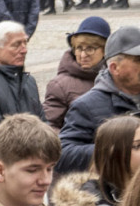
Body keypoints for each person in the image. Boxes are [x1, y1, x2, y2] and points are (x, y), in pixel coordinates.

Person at [59, 27, 140, 176]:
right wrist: (116, 151)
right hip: (115, 187)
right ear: (114, 68)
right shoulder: (87, 105)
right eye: (138, 60)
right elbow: (63, 154)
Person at [0, 21, 43, 174]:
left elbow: (43, 125)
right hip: (3, 171)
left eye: (25, 43)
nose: (24, 50)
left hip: (33, 165)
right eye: (16, 45)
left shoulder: (28, 81)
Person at [43, 16, 109, 131]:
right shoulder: (60, 85)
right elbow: (49, 127)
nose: (83, 55)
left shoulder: (116, 77)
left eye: (90, 49)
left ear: (105, 50)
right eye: (79, 48)